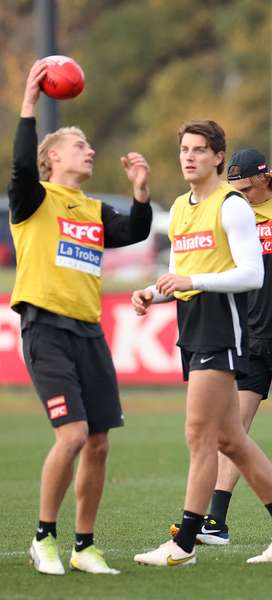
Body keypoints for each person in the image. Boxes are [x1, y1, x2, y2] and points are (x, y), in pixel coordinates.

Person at [131, 121, 272, 567]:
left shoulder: (232, 206)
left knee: (200, 434)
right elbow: (177, 274)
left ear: (217, 157)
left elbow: (253, 274)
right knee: (231, 439)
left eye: (199, 150)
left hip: (223, 328)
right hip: (190, 326)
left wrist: (191, 280)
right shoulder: (178, 207)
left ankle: (185, 543)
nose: (189, 157)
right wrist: (151, 294)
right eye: (184, 150)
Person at [10, 59, 152, 576]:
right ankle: (43, 538)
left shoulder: (92, 210)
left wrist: (140, 190)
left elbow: (135, 230)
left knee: (98, 441)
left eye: (89, 145)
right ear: (51, 159)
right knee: (70, 436)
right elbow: (21, 165)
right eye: (78, 146)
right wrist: (29, 102)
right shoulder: (33, 199)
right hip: (46, 327)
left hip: (89, 331)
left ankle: (84, 545)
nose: (89, 151)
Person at [169, 148, 272, 545]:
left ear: (263, 178)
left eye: (244, 186)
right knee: (232, 429)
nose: (237, 192)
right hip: (246, 335)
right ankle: (216, 522)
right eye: (234, 186)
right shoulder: (233, 212)